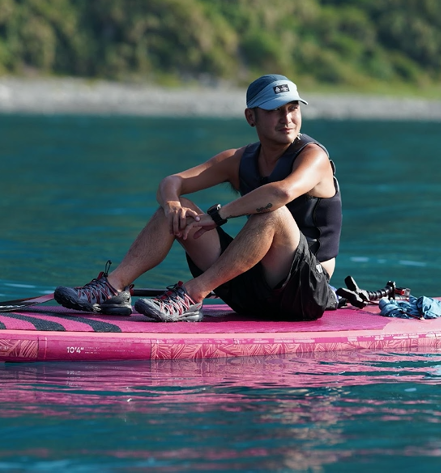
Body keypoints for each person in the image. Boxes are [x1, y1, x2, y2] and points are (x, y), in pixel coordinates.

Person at [54, 74, 342, 322]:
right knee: (180, 210)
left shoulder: (313, 157)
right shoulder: (240, 159)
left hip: (304, 293)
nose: (287, 118)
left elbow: (280, 192)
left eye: (293, 109)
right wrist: (171, 206)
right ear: (250, 116)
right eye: (275, 110)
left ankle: (191, 296)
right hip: (249, 288)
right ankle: (114, 288)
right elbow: (172, 182)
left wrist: (218, 215)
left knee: (273, 212)